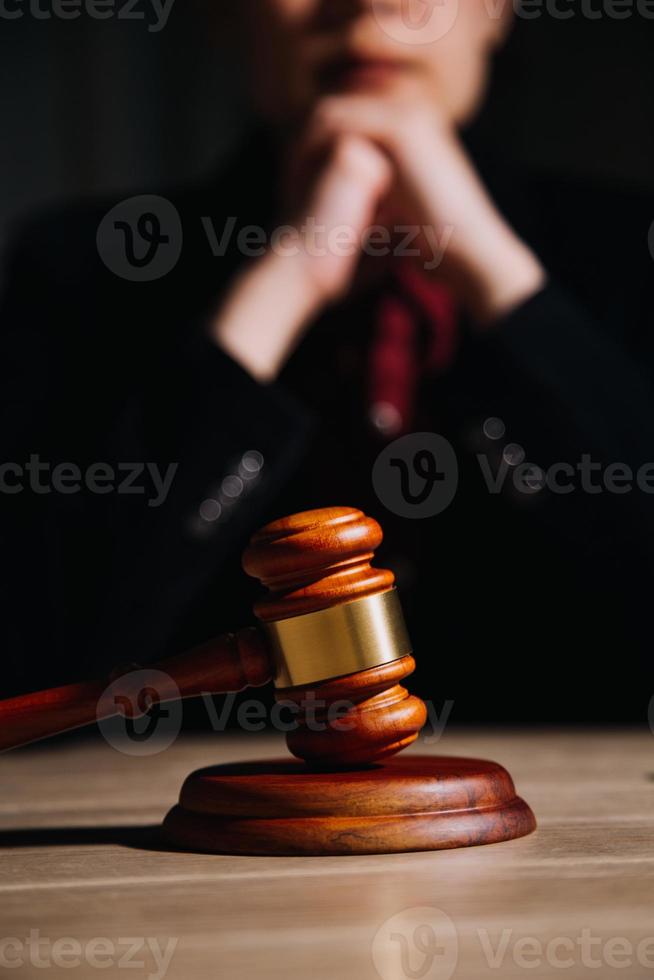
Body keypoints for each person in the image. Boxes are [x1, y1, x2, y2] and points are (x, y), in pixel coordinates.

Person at [2, 0, 653, 722]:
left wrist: (496, 276)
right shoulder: (82, 269)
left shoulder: (629, 251)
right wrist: (282, 286)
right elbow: (39, 663)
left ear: (496, 11)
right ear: (227, 17)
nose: (365, 4)